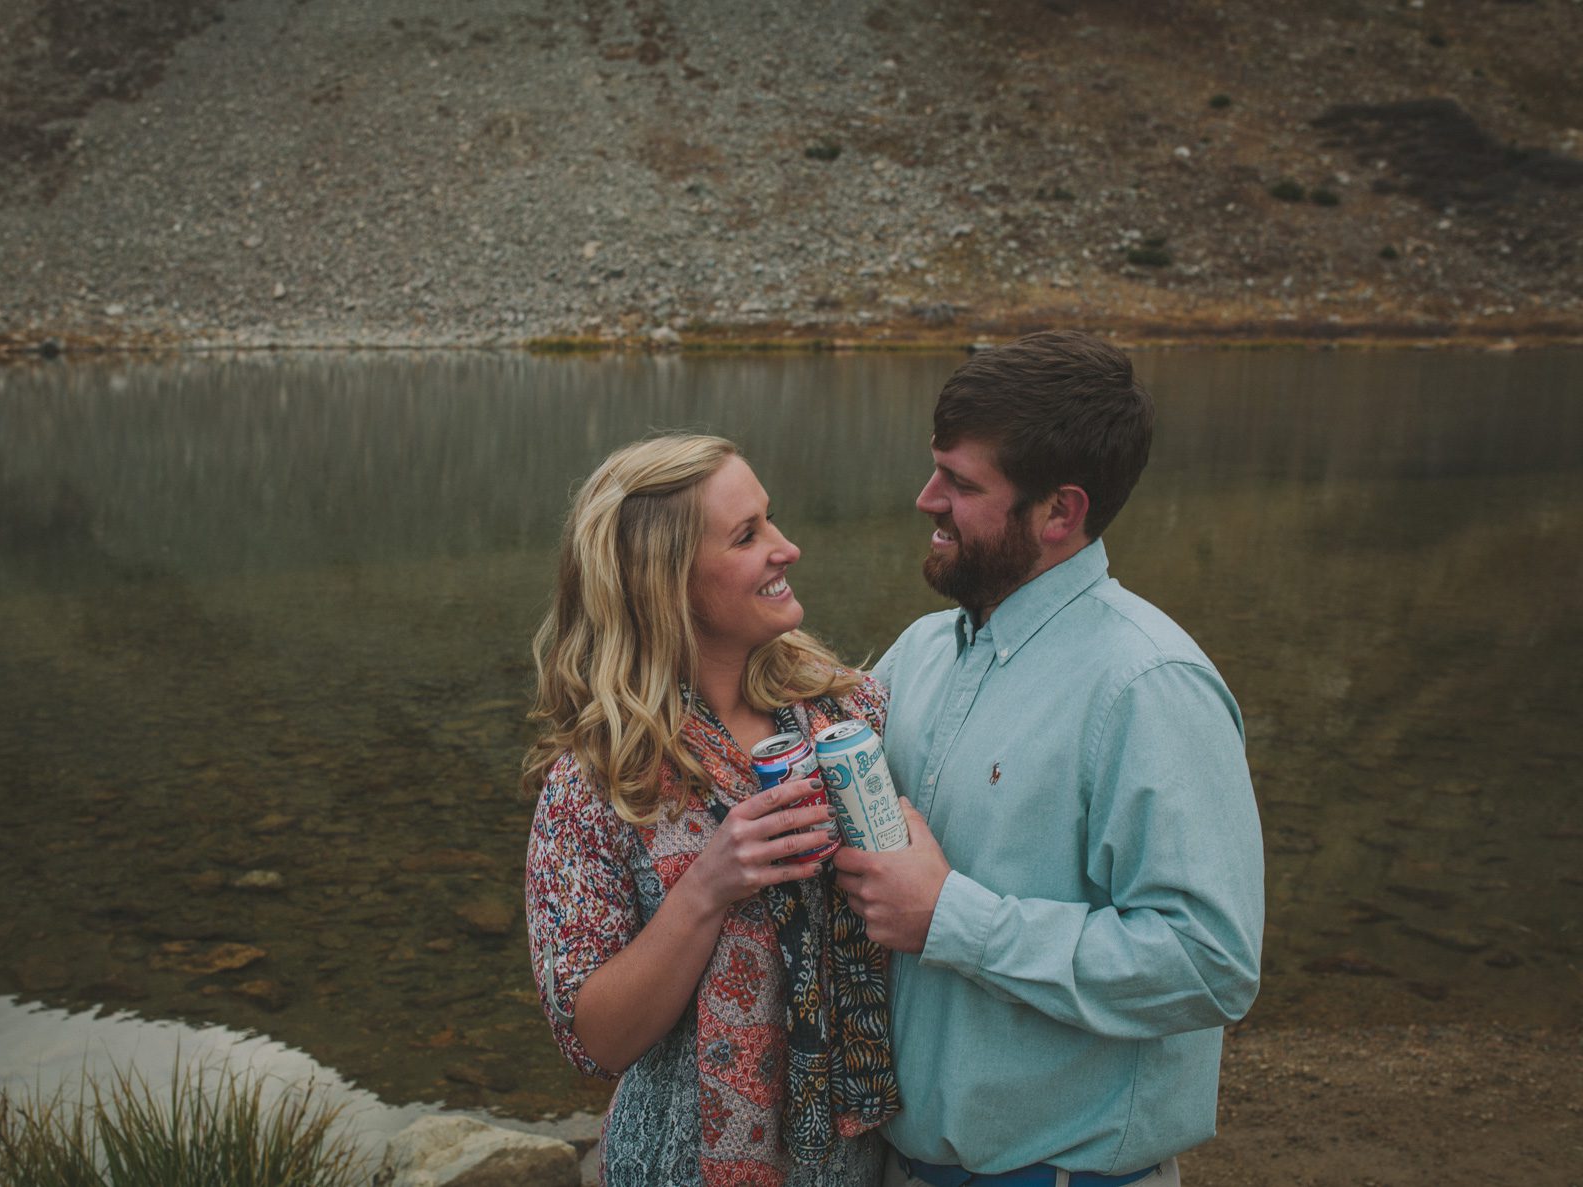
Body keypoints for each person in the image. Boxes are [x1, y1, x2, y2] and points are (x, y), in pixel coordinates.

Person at [834, 332, 1265, 1187]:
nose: (926, 499)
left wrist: (950, 918)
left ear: (1061, 512)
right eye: (935, 470)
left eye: (960, 483)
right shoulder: (918, 652)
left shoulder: (1149, 686)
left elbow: (1210, 961)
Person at [523, 434, 900, 1187]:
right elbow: (595, 1040)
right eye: (747, 535)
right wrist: (707, 885)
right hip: (673, 1165)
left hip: (856, 1161)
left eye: (772, 520)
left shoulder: (853, 716)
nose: (786, 548)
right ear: (668, 585)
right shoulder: (597, 786)